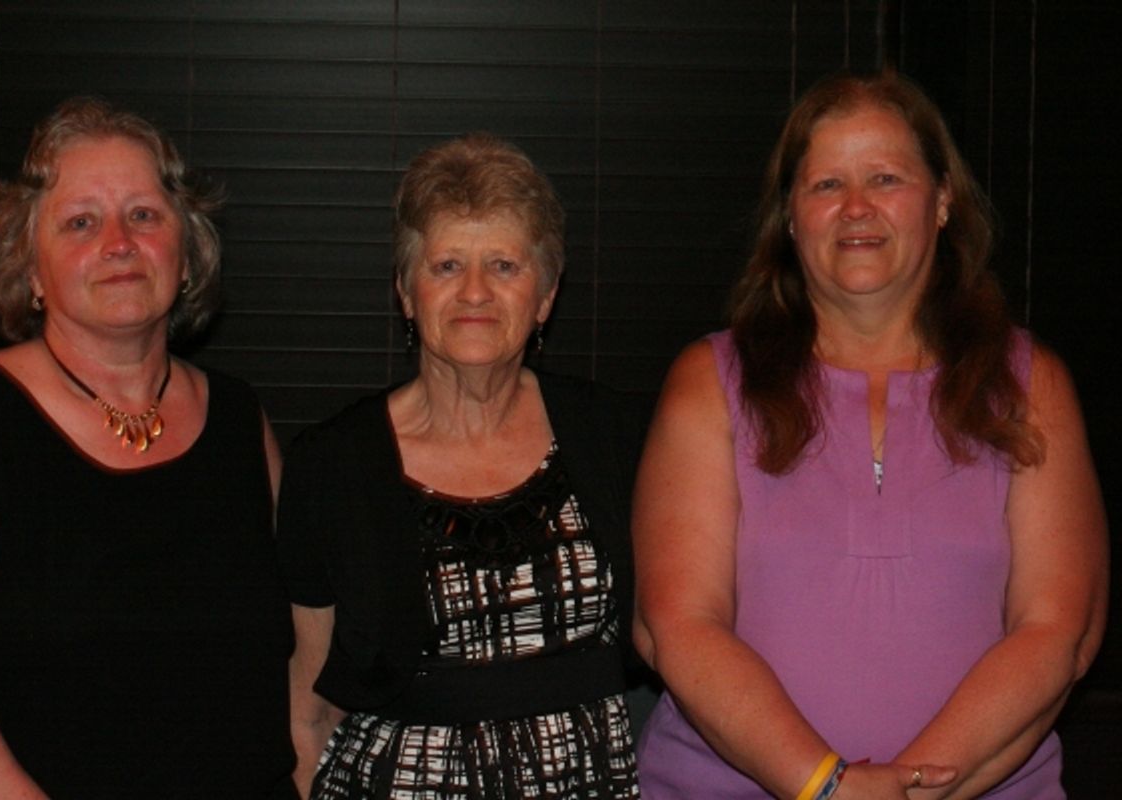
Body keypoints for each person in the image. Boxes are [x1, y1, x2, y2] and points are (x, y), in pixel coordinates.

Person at [633, 71, 1108, 799]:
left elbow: (1056, 632)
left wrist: (904, 790)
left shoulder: (1030, 385)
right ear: (791, 217)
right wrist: (826, 786)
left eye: (885, 177)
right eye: (825, 185)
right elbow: (680, 624)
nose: (855, 208)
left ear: (942, 200)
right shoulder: (709, 384)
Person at [0, 97, 296, 798]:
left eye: (145, 215)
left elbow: (296, 665)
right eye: (81, 222)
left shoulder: (243, 421)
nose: (119, 242)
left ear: (186, 254)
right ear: (30, 271)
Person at [276, 133, 642, 799]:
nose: (475, 292)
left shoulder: (617, 436)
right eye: (446, 266)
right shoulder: (331, 466)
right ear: (406, 293)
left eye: (504, 266)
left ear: (547, 297)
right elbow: (308, 707)